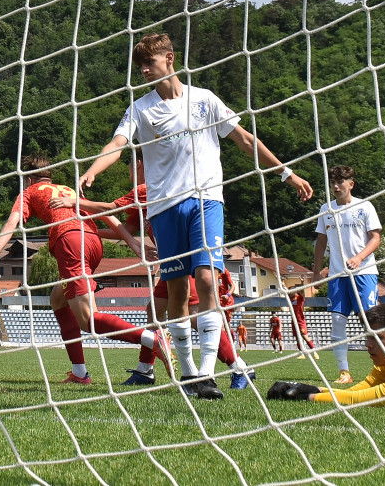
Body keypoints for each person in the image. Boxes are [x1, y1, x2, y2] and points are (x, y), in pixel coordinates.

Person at [77, 33, 312, 399]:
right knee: (177, 291)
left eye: (149, 63)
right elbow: (117, 145)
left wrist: (287, 174)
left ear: (170, 59)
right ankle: (189, 374)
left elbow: (246, 140)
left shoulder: (204, 100)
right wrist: (93, 170)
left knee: (206, 277)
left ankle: (206, 373)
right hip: (164, 208)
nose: (143, 70)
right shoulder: (141, 108)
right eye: (139, 66)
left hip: (205, 201)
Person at [50, 158, 254, 392]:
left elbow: (110, 208)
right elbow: (123, 231)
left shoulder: (150, 189)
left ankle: (240, 367)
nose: (128, 172)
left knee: (196, 318)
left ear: (139, 164)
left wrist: (74, 203)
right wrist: (89, 230)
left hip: (185, 260)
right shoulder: (142, 198)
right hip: (172, 261)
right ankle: (145, 369)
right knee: (154, 311)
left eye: (129, 167)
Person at [0, 155, 173, 384]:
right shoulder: (68, 190)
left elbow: (12, 224)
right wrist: (132, 242)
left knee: (88, 320)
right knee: (58, 300)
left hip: (70, 243)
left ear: (29, 179)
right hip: (92, 244)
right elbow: (105, 215)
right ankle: (80, 373)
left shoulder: (29, 192)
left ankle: (152, 339)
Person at [313, 165, 381, 383]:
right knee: (337, 320)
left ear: (351, 184)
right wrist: (315, 273)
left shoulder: (365, 207)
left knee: (370, 322)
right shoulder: (326, 209)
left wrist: (359, 257)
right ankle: (344, 372)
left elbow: (375, 238)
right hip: (337, 276)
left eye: (340, 182)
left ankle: (381, 369)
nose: (335, 186)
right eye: (333, 181)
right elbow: (321, 243)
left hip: (364, 273)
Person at [288, 289, 319, 359]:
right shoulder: (290, 299)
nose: (289, 293)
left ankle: (314, 352)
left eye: (291, 291)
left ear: (295, 292)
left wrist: (302, 281)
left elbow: (303, 293)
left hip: (300, 321)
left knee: (305, 337)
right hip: (294, 321)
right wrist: (283, 283)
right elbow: (285, 291)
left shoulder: (300, 298)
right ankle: (302, 354)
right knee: (298, 338)